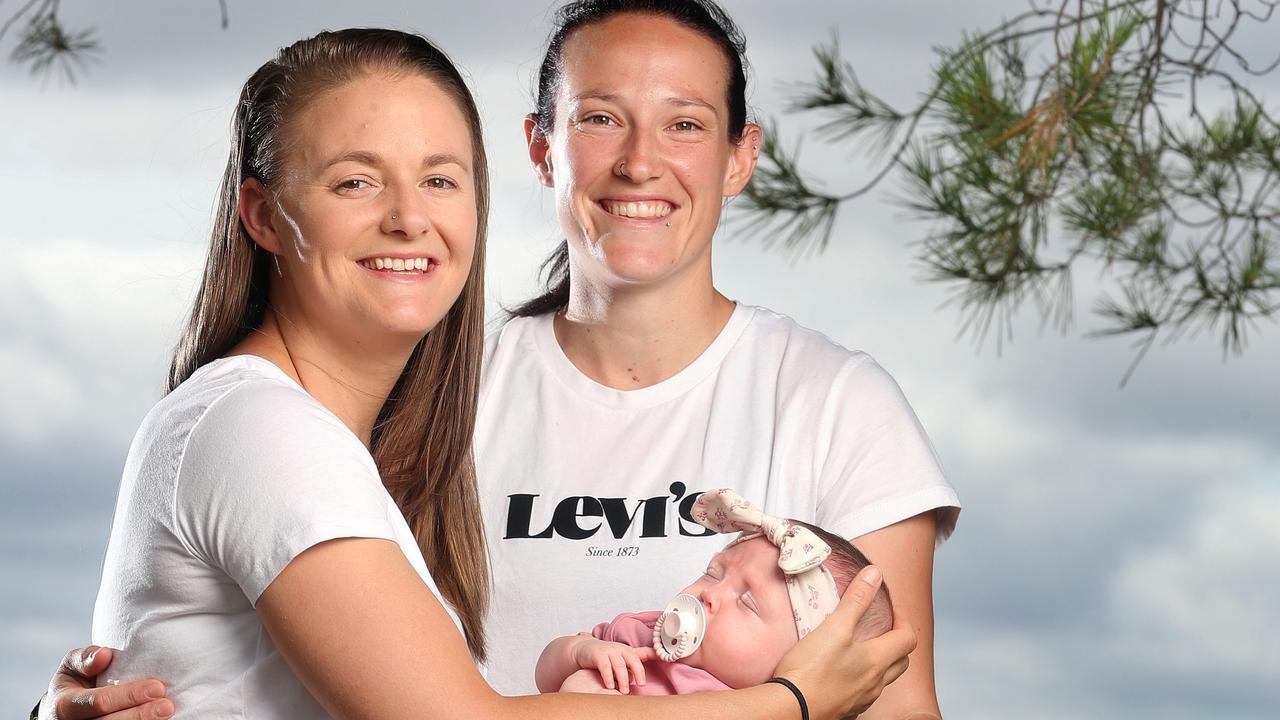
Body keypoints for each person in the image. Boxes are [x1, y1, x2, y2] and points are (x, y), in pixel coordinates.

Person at [42, 1, 956, 717]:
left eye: (684, 123)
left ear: (739, 155)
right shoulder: (412, 394)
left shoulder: (837, 402)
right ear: (539, 148)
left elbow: (891, 699)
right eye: (601, 118)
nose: (640, 162)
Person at [536, 489, 894, 696]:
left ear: (801, 659)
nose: (710, 594)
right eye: (713, 573)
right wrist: (582, 651)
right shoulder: (637, 636)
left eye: (747, 602)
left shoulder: (760, 708)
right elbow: (545, 676)